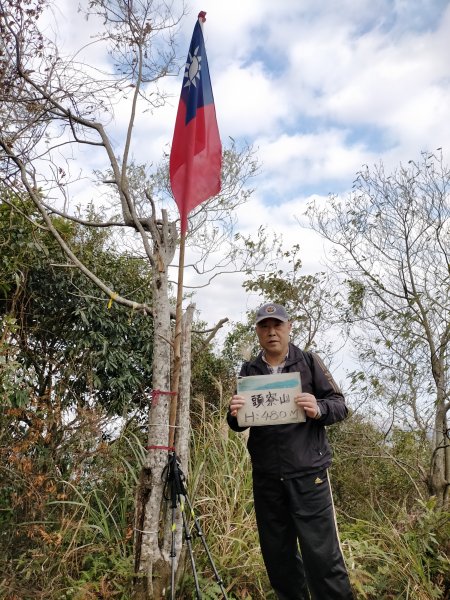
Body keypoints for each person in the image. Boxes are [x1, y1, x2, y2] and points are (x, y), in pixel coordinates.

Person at [227, 302, 354, 600]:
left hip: (309, 475)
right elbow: (237, 423)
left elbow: (340, 405)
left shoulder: (309, 362)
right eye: (264, 326)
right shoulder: (249, 370)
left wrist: (318, 408)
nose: (271, 332)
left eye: (277, 325)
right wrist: (233, 413)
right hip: (267, 477)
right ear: (258, 331)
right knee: (278, 557)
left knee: (322, 556)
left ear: (288, 327)